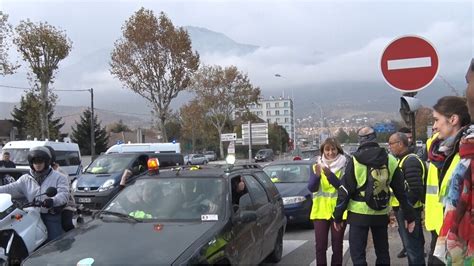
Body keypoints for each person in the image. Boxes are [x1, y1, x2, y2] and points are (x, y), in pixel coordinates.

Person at [332, 127, 416, 265]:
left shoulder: (354, 161)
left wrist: (338, 216)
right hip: (381, 213)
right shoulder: (390, 160)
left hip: (358, 214)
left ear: (360, 140)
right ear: (375, 138)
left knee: (358, 255)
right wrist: (410, 216)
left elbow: (345, 191)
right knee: (382, 253)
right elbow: (402, 192)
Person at [435, 59, 474, 264]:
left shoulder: (466, 154)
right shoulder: (460, 149)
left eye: (469, 82)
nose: (466, 91)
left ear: (453, 119)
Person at [424, 96, 470, 265]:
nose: (434, 126)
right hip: (437, 227)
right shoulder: (437, 149)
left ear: (453, 119)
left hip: (458, 233)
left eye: (436, 120)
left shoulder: (467, 152)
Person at [0, 146, 69, 242]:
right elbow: (10, 188)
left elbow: (64, 194)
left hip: (50, 214)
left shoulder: (59, 177)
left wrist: (52, 201)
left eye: (40, 161)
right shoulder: (25, 179)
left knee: (54, 243)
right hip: (32, 215)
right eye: (34, 161)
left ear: (46, 161)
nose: (37, 164)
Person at [307, 137, 347, 265]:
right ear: (322, 151)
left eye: (333, 149)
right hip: (320, 212)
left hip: (338, 212)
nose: (330, 152)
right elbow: (312, 188)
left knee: (337, 246)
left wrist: (329, 174)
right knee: (320, 247)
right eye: (327, 150)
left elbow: (342, 188)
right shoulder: (316, 167)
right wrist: (317, 176)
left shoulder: (345, 166)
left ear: (338, 150)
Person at [388, 132, 426, 265]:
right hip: (405, 210)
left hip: (409, 211)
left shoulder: (410, 161)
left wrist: (406, 211)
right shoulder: (403, 160)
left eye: (391, 143)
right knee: (411, 248)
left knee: (413, 248)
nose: (389, 147)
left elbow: (415, 189)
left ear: (400, 144)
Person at [44, 146, 76, 232]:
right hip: (46, 205)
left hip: (66, 205)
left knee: (67, 225)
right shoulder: (41, 173)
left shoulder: (60, 173)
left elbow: (64, 193)